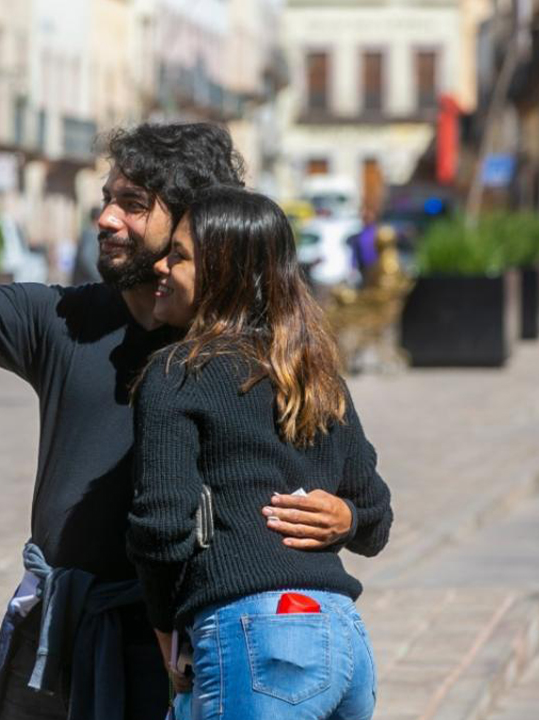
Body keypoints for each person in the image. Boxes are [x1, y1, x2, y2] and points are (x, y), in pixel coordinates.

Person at [0, 123, 359, 720]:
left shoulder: (248, 350)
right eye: (107, 199)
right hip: (68, 625)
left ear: (193, 224)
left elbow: (349, 476)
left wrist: (346, 515)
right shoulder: (61, 319)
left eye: (133, 204)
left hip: (186, 641)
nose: (106, 218)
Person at [128, 187, 393, 719]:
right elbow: (376, 518)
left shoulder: (176, 372)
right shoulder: (314, 373)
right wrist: (347, 519)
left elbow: (162, 525)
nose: (161, 265)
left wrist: (164, 632)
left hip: (259, 641)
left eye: (178, 255)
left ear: (221, 272)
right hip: (343, 636)